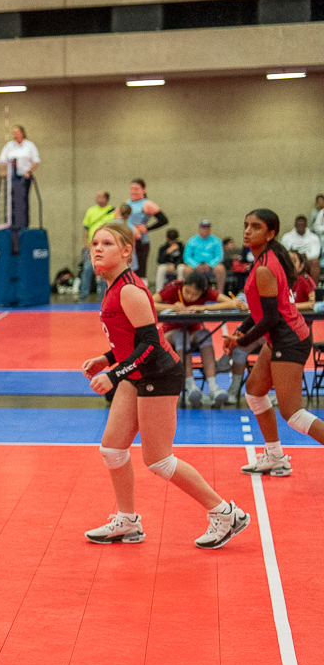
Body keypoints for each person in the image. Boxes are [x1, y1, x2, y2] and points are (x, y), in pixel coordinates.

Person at [81, 222, 249, 549]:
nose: (98, 249)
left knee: (158, 460)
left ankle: (225, 513)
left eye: (107, 243)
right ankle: (127, 522)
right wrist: (106, 357)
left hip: (158, 373)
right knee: (113, 449)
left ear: (127, 250)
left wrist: (114, 374)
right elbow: (130, 341)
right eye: (94, 244)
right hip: (138, 371)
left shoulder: (129, 289)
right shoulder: (113, 286)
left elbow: (150, 347)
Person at [225, 209, 324, 477]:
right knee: (255, 392)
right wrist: (240, 331)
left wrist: (241, 341)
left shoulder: (266, 267)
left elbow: (270, 318)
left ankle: (276, 455)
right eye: (246, 225)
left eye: (255, 227)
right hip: (282, 335)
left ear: (270, 234)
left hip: (288, 338)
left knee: (292, 413)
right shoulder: (264, 260)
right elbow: (262, 310)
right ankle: (275, 456)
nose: (247, 231)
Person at [154, 271, 237, 407]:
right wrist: (171, 307)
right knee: (182, 336)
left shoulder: (206, 291)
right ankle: (190, 385)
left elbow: (232, 303)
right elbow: (149, 301)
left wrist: (202, 307)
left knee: (204, 334)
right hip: (171, 332)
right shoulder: (174, 287)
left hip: (193, 330)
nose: (190, 296)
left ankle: (213, 387)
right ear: (184, 284)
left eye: (195, 295)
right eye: (187, 292)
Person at [123, 179, 167, 283]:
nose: (133, 191)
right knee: (127, 269)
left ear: (144, 190)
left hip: (140, 242)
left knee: (140, 270)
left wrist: (147, 228)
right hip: (127, 241)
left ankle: (143, 292)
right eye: (132, 189)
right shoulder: (126, 203)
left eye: (136, 189)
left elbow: (163, 220)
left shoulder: (147, 204)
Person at [0, 125, 40, 232]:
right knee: (12, 201)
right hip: (12, 177)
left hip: (24, 177)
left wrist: (29, 172)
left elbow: (36, 161)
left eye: (17, 132)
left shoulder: (29, 145)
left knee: (22, 201)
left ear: (22, 133)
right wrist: (3, 172)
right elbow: (2, 160)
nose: (15, 134)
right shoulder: (9, 146)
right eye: (13, 132)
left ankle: (23, 226)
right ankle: (11, 225)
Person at [78, 191, 115, 300]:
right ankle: (83, 294)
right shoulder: (91, 211)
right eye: (96, 196)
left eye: (100, 196)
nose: (97, 198)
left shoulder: (112, 211)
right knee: (87, 269)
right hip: (91, 245)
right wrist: (86, 244)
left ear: (106, 198)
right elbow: (86, 228)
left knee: (104, 270)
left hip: (105, 246)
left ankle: (103, 294)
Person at [183, 219, 226, 293]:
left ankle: (220, 293)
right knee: (186, 270)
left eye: (207, 228)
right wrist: (195, 265)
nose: (205, 230)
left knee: (220, 269)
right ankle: (188, 292)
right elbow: (187, 257)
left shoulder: (216, 241)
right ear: (199, 229)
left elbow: (219, 256)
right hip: (196, 266)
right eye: (203, 228)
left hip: (211, 267)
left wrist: (210, 264)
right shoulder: (192, 241)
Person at [280, 215, 320, 282]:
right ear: (295, 225)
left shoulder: (314, 237)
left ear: (306, 225)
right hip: (292, 261)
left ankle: (313, 288)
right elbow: (283, 253)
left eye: (302, 224)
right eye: (298, 224)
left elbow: (315, 254)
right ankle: (289, 286)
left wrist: (304, 256)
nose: (300, 226)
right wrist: (295, 256)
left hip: (307, 261)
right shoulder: (287, 237)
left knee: (315, 262)